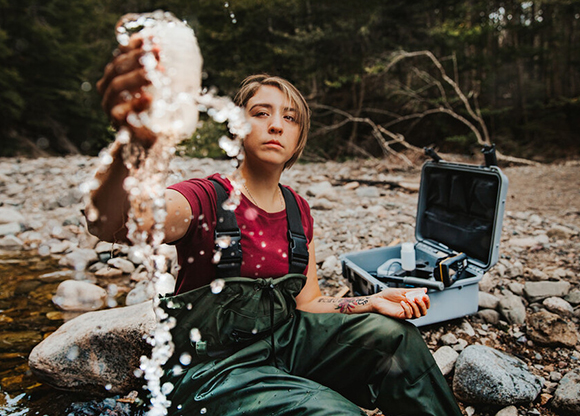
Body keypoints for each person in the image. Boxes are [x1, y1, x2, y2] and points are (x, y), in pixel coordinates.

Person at [89, 35, 463, 416]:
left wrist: (372, 301)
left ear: (299, 136)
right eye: (261, 112)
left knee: (395, 337)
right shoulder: (204, 198)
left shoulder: (298, 210)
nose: (276, 125)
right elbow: (112, 225)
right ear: (236, 125)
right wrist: (133, 140)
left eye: (290, 117)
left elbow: (310, 303)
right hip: (212, 373)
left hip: (284, 348)